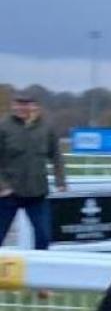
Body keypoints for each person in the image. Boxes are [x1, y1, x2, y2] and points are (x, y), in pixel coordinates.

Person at [0, 90, 66, 249]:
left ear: (35, 106)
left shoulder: (46, 128)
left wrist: (60, 181)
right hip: (9, 193)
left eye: (26, 104)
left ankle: (41, 264)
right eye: (18, 104)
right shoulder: (3, 127)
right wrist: (3, 186)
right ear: (13, 106)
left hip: (37, 192)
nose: (22, 108)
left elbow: (56, 156)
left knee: (43, 236)